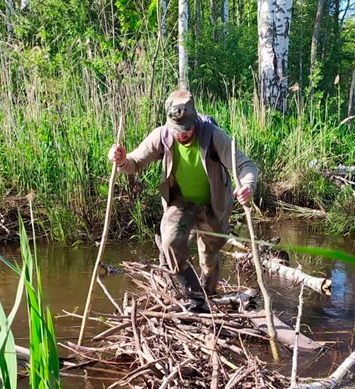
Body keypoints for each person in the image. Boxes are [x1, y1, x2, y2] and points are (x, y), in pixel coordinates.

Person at [108, 90, 258, 312]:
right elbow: (134, 163)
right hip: (180, 201)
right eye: (178, 130)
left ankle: (209, 295)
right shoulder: (162, 136)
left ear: (195, 120)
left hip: (213, 204)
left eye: (187, 129)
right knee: (170, 242)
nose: (182, 135)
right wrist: (121, 160)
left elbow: (247, 166)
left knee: (209, 258)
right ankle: (196, 299)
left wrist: (247, 186)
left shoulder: (213, 136)